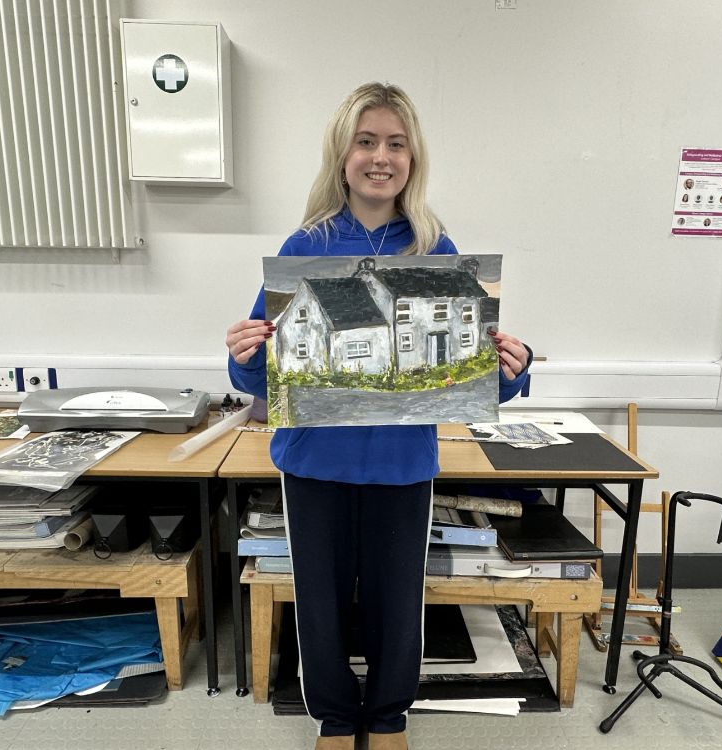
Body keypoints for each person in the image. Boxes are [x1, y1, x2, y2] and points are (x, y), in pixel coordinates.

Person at [226, 82, 532, 750]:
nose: (380, 157)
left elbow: (469, 380)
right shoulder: (306, 248)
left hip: (400, 463)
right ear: (342, 154)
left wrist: (514, 369)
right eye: (365, 141)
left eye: (395, 143)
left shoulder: (435, 249)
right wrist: (247, 356)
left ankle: (390, 714)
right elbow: (260, 377)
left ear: (412, 158)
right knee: (321, 599)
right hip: (314, 461)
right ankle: (335, 717)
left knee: (399, 602)